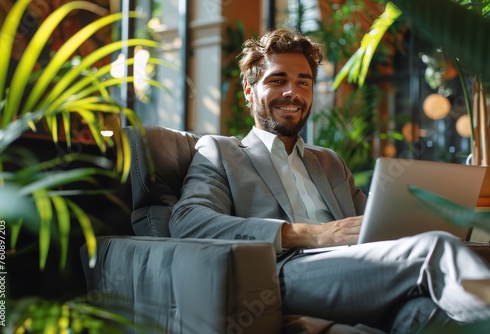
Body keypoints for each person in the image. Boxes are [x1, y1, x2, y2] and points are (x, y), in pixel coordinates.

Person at [169, 28, 490, 332]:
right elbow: (188, 221)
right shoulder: (221, 151)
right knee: (435, 249)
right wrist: (307, 234)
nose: (292, 92)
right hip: (280, 276)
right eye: (278, 80)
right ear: (249, 91)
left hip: (358, 268)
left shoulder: (329, 162)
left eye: (303, 82)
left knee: (422, 315)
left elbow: (376, 225)